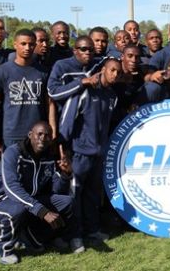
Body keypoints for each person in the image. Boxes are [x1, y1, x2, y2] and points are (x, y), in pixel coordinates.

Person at [0, 121, 81, 264]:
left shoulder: (48, 158)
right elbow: (11, 188)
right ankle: (4, 248)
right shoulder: (13, 153)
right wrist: (42, 211)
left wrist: (65, 175)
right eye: (39, 134)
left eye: (47, 135)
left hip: (29, 204)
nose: (43, 138)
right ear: (30, 135)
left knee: (67, 202)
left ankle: (31, 237)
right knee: (19, 208)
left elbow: (55, 190)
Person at [58, 58, 121, 244]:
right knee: (74, 196)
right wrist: (63, 151)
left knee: (92, 195)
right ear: (103, 69)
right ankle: (74, 235)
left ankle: (92, 231)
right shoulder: (83, 91)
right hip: (78, 154)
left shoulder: (112, 96)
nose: (115, 74)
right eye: (112, 70)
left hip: (98, 155)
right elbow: (66, 122)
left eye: (118, 72)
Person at [0, 29, 49, 155]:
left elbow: (50, 104)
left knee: (34, 173)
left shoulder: (43, 72)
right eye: (23, 44)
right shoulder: (2, 71)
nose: (27, 47)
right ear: (15, 44)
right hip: (11, 134)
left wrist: (51, 130)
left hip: (37, 135)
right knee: (11, 172)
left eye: (31, 44)